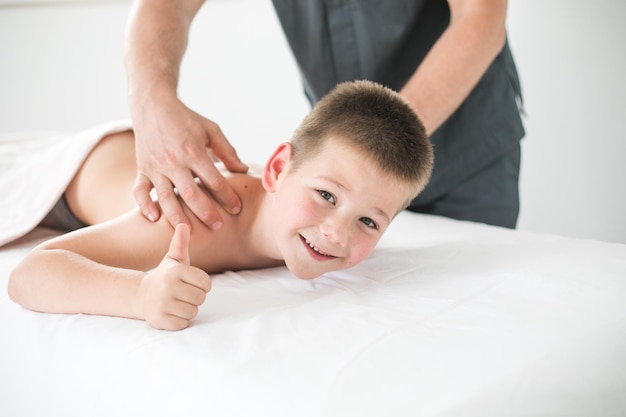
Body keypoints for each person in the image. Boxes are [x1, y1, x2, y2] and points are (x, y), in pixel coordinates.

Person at [8, 81, 434, 331]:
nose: (337, 233)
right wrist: (139, 295)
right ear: (277, 170)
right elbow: (29, 274)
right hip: (61, 177)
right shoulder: (193, 219)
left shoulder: (291, 204)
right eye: (326, 196)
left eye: (368, 222)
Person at [124, 0, 525, 231]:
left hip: (465, 149)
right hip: (345, 164)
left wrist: (366, 156)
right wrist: (152, 100)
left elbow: (480, 19)